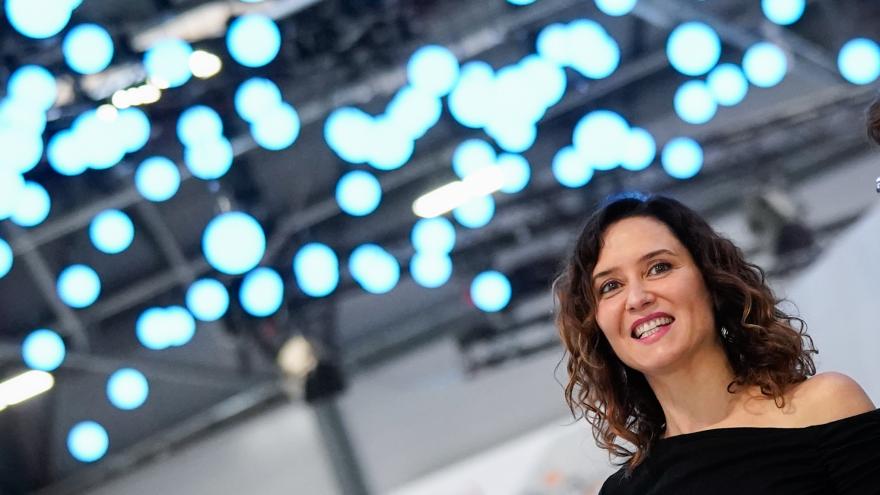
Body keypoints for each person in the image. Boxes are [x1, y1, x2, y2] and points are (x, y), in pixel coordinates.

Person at [553, 193, 879, 494]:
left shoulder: (825, 406)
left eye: (658, 267)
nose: (637, 298)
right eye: (611, 286)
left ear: (710, 282)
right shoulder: (623, 491)